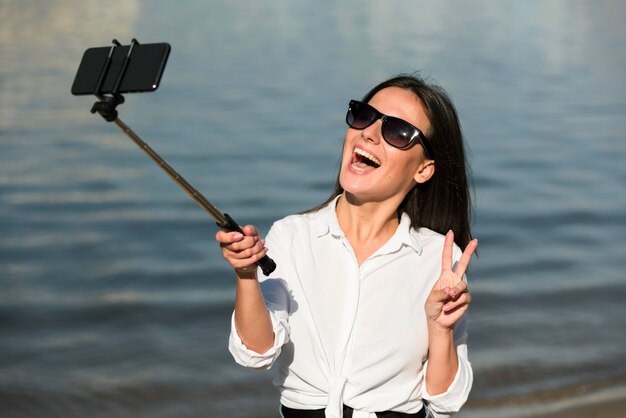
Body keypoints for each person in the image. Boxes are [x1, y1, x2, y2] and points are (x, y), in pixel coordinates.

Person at [216, 73, 478, 418]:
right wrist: (246, 274)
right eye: (364, 115)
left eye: (397, 131)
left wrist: (441, 329)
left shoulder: (438, 259)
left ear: (424, 170)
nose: (368, 132)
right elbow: (256, 351)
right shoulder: (293, 236)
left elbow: (445, 401)